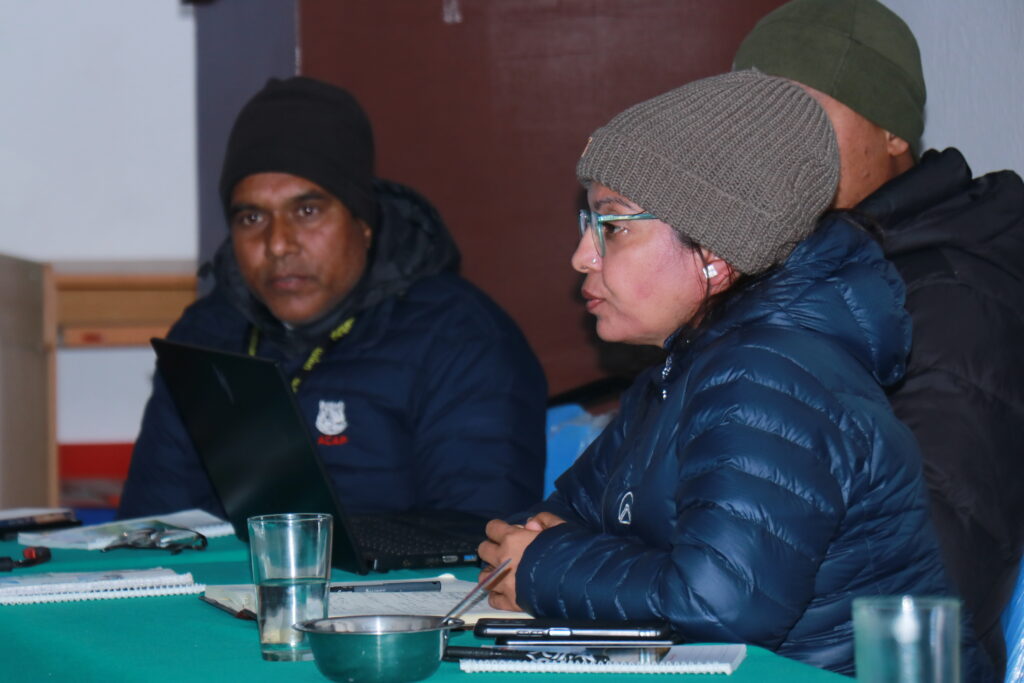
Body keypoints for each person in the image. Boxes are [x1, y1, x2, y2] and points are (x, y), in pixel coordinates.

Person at [477, 70, 993, 680]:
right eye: (587, 225)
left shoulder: (770, 376)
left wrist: (545, 567)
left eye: (613, 226)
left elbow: (719, 605)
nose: (582, 256)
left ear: (716, 254)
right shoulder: (680, 371)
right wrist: (546, 551)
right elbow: (555, 520)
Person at [733, 1, 1024, 674]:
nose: (774, 147)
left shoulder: (949, 295)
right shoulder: (800, 274)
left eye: (802, 114)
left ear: (892, 130)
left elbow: (926, 576)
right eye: (754, 122)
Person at [118, 76, 547, 521]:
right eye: (252, 218)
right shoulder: (204, 335)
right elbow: (149, 527)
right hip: (224, 570)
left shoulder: (462, 339)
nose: (278, 244)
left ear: (363, 223)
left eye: (307, 211)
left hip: (403, 571)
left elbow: (480, 537)